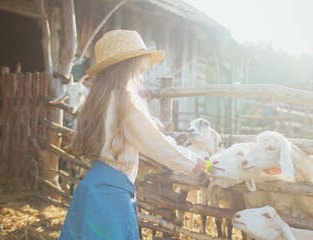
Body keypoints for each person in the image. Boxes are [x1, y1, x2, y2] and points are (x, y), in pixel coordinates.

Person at [59, 30, 207, 239]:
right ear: (129, 64)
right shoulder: (124, 100)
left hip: (90, 187)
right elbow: (154, 141)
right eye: (141, 68)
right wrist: (191, 161)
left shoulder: (96, 100)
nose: (142, 75)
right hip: (111, 193)